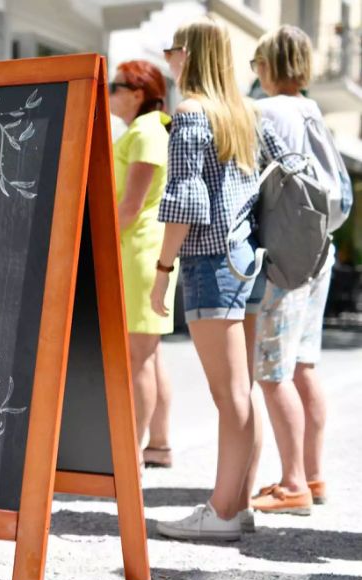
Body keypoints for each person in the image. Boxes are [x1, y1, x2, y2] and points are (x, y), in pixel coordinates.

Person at [150, 18, 285, 541]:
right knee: (241, 392)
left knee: (229, 396)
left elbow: (186, 198)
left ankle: (223, 511)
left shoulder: (190, 113)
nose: (168, 57)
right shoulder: (243, 115)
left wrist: (163, 271)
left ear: (190, 54)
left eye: (172, 49)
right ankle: (239, 504)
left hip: (211, 262)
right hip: (248, 259)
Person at [249, 25, 339, 515]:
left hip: (285, 255)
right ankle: (315, 475)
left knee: (271, 368)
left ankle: (291, 484)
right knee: (304, 366)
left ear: (266, 65)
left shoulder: (267, 112)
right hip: (318, 248)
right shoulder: (312, 111)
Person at [109, 60, 177, 468]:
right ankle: (159, 444)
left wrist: (95, 242)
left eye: (115, 86)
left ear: (137, 93)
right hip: (143, 249)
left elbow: (130, 206)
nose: (109, 92)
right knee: (149, 354)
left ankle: (130, 453)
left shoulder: (146, 132)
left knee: (139, 357)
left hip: (138, 250)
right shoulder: (146, 130)